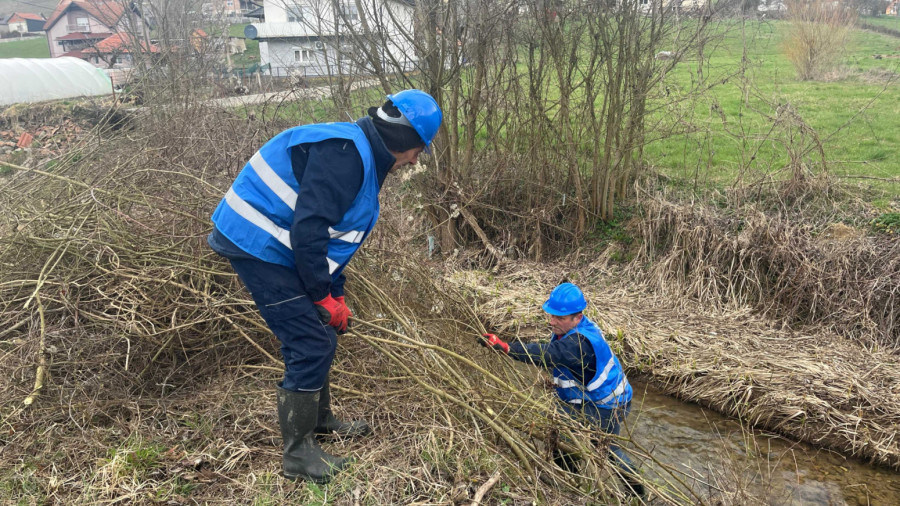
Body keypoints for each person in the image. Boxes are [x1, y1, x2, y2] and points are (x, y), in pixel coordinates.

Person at [208, 89, 443, 483]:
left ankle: (319, 422)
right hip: (255, 239)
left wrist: (336, 293)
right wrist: (320, 294)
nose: (416, 159)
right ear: (405, 138)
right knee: (309, 343)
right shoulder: (346, 156)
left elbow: (333, 237)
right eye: (418, 148)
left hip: (280, 242)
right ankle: (298, 455)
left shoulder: (362, 155)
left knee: (323, 331)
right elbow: (310, 230)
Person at [478, 282, 645, 497]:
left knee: (604, 449)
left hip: (608, 404)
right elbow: (560, 358)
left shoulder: (580, 343)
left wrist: (507, 348)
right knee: (560, 433)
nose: (552, 321)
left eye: (559, 318)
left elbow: (548, 354)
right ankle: (574, 483)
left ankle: (637, 492)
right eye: (551, 315)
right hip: (591, 398)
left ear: (578, 317)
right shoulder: (572, 330)